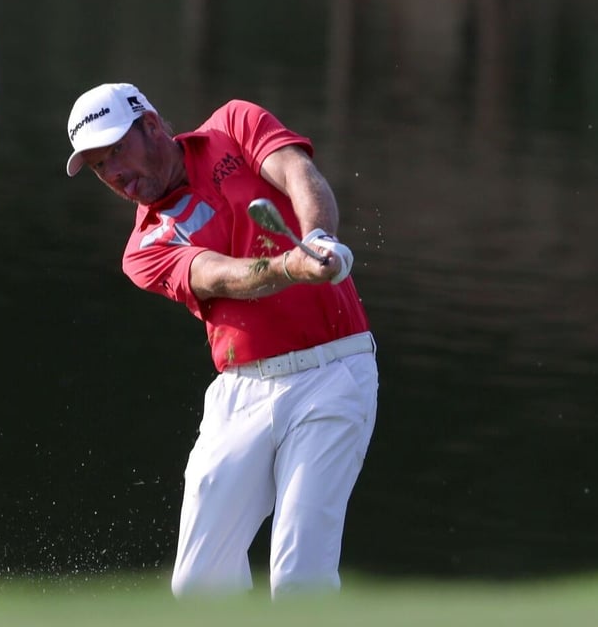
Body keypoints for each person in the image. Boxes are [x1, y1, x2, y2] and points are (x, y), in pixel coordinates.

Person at [63, 83, 378, 599]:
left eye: (116, 151)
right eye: (99, 167)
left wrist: (318, 237)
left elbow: (298, 173)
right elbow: (221, 277)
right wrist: (290, 267)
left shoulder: (234, 125)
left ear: (151, 125)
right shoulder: (143, 248)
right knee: (197, 585)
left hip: (332, 372)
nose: (114, 175)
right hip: (241, 393)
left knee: (301, 576)